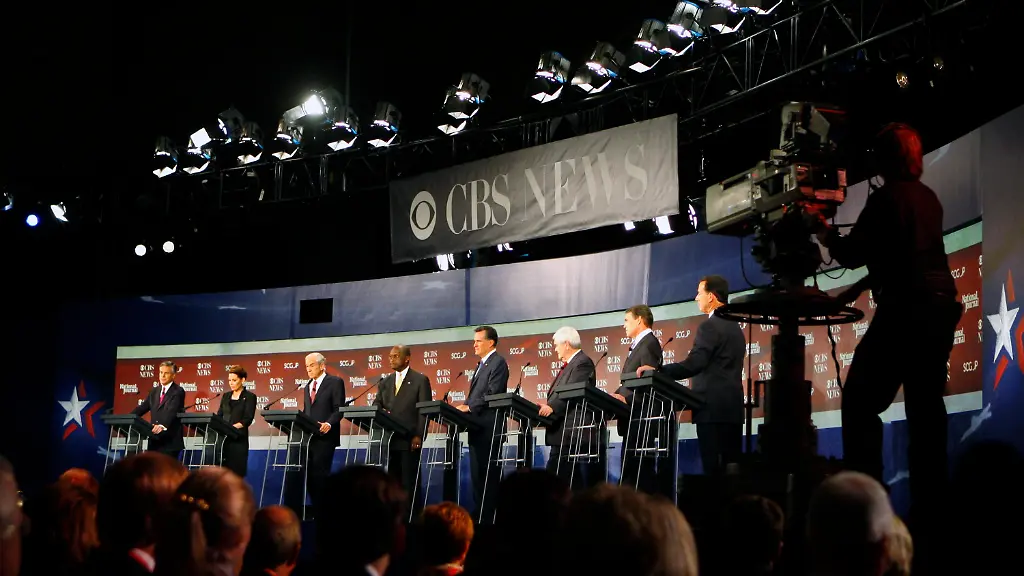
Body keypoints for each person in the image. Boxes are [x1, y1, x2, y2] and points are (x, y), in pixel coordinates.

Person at [812, 122, 960, 568]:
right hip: (938, 310)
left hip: (906, 312)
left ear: (884, 158)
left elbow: (852, 253)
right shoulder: (927, 198)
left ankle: (864, 512)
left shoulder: (886, 199)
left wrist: (822, 231)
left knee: (859, 404)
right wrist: (855, 290)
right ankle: (931, 523)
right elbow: (902, 258)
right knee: (926, 413)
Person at [638, 275, 746, 476]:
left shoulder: (710, 326)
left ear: (711, 296)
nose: (696, 298)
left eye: (699, 293)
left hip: (711, 410)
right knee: (731, 474)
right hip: (732, 410)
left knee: (714, 474)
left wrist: (659, 372)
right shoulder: (736, 327)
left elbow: (695, 363)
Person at [457, 326, 509, 522]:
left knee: (488, 479)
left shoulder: (498, 363)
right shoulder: (481, 364)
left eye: (478, 341)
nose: (474, 344)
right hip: (476, 429)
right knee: (478, 479)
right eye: (474, 341)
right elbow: (477, 395)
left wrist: (469, 407)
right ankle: (481, 518)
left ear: (491, 342)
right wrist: (464, 407)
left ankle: (490, 520)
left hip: (490, 430)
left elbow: (493, 394)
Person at [611, 305, 664, 493]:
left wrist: (627, 399)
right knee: (632, 474)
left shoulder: (649, 343)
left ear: (639, 320)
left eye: (627, 320)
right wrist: (616, 395)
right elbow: (630, 382)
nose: (624, 325)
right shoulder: (640, 344)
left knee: (639, 477)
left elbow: (648, 383)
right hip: (632, 419)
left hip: (642, 419)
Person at [373, 345, 432, 505]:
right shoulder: (385, 381)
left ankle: (412, 516)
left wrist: (419, 435)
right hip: (390, 439)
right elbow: (376, 404)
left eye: (396, 356)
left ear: (407, 358)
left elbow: (424, 411)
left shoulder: (420, 380)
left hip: (409, 440)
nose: (391, 359)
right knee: (393, 484)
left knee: (409, 482)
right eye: (390, 356)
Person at [540, 326, 598, 487]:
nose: (555, 349)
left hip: (572, 434)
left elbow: (573, 391)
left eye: (556, 345)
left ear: (566, 344)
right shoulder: (570, 364)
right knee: (562, 484)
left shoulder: (582, 363)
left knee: (561, 484)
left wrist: (552, 407)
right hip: (562, 434)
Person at [302, 352, 345, 519]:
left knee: (320, 476)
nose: (308, 369)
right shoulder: (307, 386)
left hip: (325, 437)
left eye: (311, 365)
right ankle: (317, 510)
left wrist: (329, 423)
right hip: (309, 438)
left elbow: (339, 409)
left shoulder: (335, 382)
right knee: (309, 477)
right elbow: (307, 411)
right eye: (307, 366)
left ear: (322, 365)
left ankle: (324, 512)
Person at [132, 361, 186, 458]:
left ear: (173, 375)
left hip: (170, 442)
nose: (162, 376)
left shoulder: (178, 391)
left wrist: (162, 425)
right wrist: (128, 418)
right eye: (161, 372)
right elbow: (142, 408)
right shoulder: (154, 391)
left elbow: (172, 411)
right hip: (154, 441)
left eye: (166, 373)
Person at [217, 365, 257, 479]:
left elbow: (247, 419)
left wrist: (231, 429)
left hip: (238, 441)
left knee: (236, 476)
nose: (231, 383)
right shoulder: (226, 396)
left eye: (234, 380)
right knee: (223, 476)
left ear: (242, 380)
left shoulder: (250, 397)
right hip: (223, 441)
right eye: (229, 380)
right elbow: (219, 415)